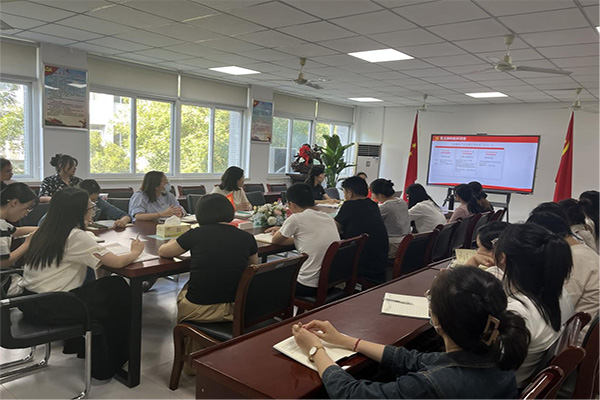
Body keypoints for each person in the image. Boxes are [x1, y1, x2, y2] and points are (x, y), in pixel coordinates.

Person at [291, 266, 529, 398]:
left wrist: (315, 350)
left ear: (439, 321)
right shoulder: (494, 354)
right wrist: (344, 340)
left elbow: (352, 394)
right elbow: (411, 359)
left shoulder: (433, 384)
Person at [20, 187, 144, 380]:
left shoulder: (45, 231)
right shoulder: (75, 236)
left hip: (29, 301)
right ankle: (108, 363)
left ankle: (86, 348)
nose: (93, 211)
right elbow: (118, 262)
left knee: (108, 288)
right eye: (90, 208)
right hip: (52, 306)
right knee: (118, 289)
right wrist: (135, 251)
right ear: (78, 212)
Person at [158, 194, 258, 372]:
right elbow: (253, 268)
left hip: (201, 309)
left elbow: (164, 251)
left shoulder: (195, 234)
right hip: (239, 306)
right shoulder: (247, 237)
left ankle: (195, 361)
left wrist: (174, 241)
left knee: (185, 291)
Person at [493, 223, 574, 388]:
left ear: (502, 257)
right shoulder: (560, 294)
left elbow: (487, 361)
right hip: (525, 379)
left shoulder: (518, 312)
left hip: (505, 388)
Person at [527, 211, 598, 337]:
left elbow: (558, 307)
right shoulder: (582, 252)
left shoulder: (573, 260)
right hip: (579, 331)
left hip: (574, 338)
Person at [265, 183, 340, 297]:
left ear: (292, 204)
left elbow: (276, 240)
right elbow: (307, 236)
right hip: (331, 281)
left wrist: (284, 231)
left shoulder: (296, 218)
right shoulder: (327, 217)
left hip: (307, 285)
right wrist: (288, 231)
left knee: (269, 275)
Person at [335, 176, 388, 284]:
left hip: (361, 263)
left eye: (344, 192)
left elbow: (335, 228)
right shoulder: (373, 204)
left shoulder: (349, 205)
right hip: (380, 261)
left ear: (350, 193)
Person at [370, 179, 410, 258]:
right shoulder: (402, 202)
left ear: (380, 195)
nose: (372, 196)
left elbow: (371, 221)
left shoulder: (385, 207)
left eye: (373, 194)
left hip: (392, 246)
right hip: (406, 242)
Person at [0, 183, 38, 267]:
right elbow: (3, 262)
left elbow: (17, 231)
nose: (26, 214)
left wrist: (45, 228)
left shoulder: (3, 223)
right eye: (27, 208)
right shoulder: (1, 226)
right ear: (14, 203)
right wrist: (27, 243)